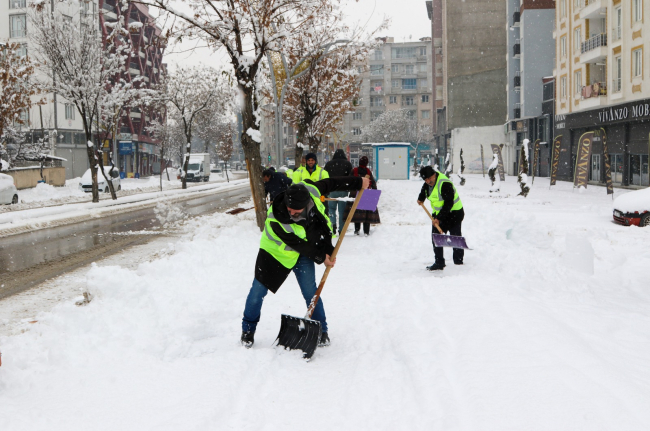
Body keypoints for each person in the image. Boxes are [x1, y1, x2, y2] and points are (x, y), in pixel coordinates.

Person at [241, 176, 371, 349]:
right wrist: (321, 256)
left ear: (306, 202)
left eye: (296, 211)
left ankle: (322, 330)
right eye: (289, 209)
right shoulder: (276, 218)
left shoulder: (311, 191)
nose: (292, 213)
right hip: (274, 255)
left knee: (311, 292)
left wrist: (358, 182)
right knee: (257, 293)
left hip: (303, 255)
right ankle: (247, 330)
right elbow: (299, 244)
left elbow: (332, 183)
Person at [417, 165, 465, 271]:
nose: (428, 181)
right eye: (426, 179)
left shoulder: (444, 183)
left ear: (434, 175)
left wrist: (439, 218)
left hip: (454, 213)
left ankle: (458, 262)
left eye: (430, 178)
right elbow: (424, 189)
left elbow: (448, 203)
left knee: (455, 236)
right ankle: (439, 262)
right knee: (436, 236)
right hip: (440, 214)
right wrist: (421, 198)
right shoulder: (428, 184)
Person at [343, 156, 380, 236]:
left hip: (356, 193)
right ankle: (366, 231)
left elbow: (349, 181)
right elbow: (372, 182)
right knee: (366, 214)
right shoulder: (368, 171)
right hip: (366, 194)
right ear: (366, 163)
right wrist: (374, 191)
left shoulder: (354, 170)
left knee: (357, 213)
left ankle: (357, 230)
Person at [323, 149, 353, 234]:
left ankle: (333, 225)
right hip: (343, 190)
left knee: (331, 209)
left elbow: (325, 176)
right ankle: (341, 229)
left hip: (332, 190)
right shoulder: (347, 164)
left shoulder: (329, 164)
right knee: (342, 211)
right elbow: (350, 177)